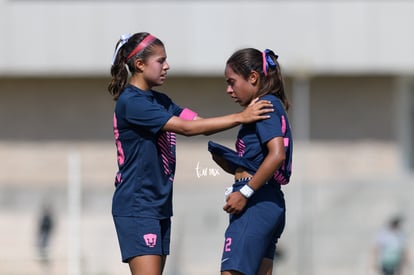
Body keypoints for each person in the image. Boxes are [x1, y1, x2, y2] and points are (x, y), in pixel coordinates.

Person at [108, 32, 274, 275]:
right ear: (140, 65)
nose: (167, 66)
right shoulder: (132, 102)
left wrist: (247, 111)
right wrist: (241, 117)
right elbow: (186, 128)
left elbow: (198, 123)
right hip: (137, 204)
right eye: (160, 60)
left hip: (158, 204)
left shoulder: (160, 100)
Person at [208, 48, 293, 275]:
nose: (228, 89)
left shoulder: (265, 105)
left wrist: (244, 192)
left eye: (232, 82)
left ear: (253, 77)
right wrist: (232, 164)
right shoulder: (269, 105)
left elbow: (277, 155)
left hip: (256, 201)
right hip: (266, 198)